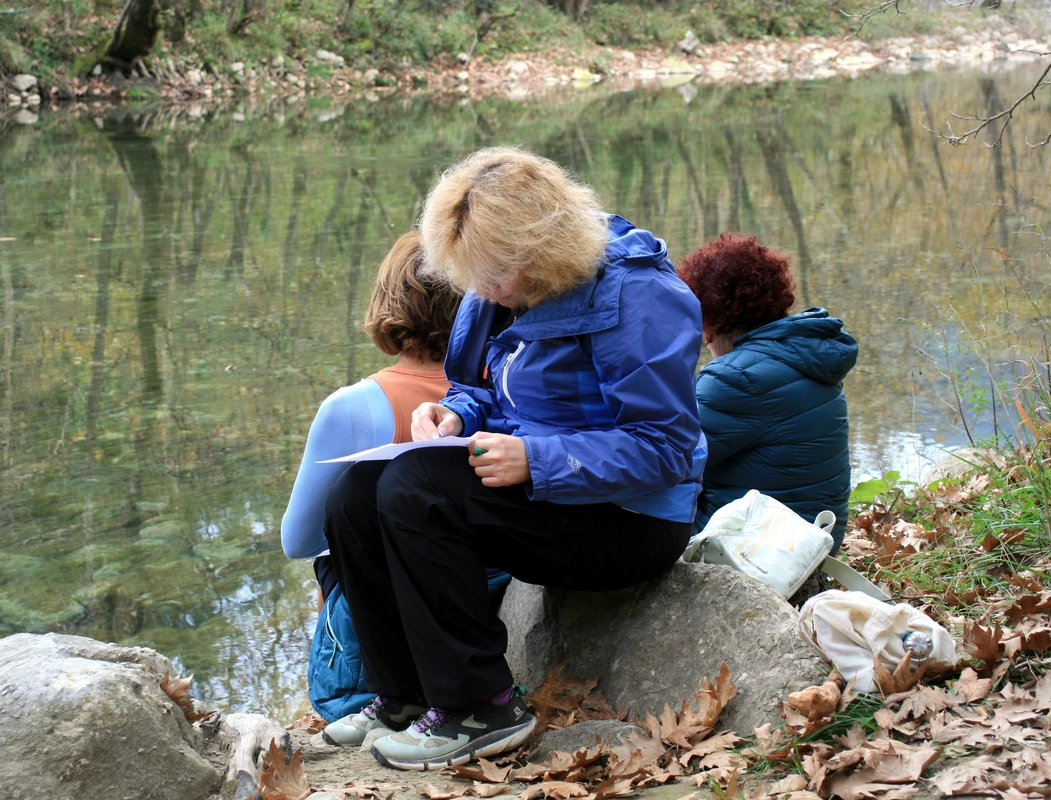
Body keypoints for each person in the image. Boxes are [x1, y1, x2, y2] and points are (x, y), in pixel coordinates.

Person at [321, 148, 707, 771]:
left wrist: (537, 457)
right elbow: (477, 386)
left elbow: (666, 447)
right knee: (356, 492)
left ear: (541, 253)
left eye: (492, 276)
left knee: (419, 490)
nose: (479, 291)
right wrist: (455, 416)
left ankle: (483, 707)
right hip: (547, 493)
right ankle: (403, 693)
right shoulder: (492, 287)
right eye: (471, 276)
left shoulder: (640, 298)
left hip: (630, 520)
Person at [281, 230, 475, 723]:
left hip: (408, 596)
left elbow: (298, 541)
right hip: (494, 577)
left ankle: (381, 688)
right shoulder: (506, 386)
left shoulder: (350, 409)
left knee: (337, 540)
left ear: (391, 301)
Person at [676, 232, 858, 551]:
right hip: (810, 543)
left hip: (758, 550)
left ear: (708, 318)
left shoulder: (736, 377)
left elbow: (667, 461)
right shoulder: (802, 354)